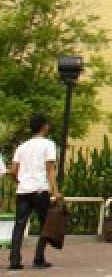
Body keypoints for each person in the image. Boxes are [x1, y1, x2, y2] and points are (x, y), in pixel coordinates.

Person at [7, 114, 61, 271]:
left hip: (23, 190)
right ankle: (39, 257)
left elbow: (14, 170)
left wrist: (20, 181)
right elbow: (50, 169)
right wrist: (55, 191)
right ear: (43, 126)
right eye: (47, 124)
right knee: (46, 223)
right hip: (39, 189)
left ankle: (14, 260)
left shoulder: (22, 146)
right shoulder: (48, 144)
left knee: (19, 225)